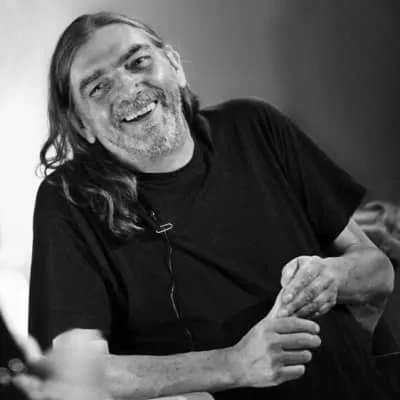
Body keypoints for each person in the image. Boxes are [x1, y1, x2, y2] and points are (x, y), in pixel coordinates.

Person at [25, 11, 395, 400]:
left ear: (174, 65)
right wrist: (234, 364)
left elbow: (377, 268)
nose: (128, 89)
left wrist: (332, 276)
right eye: (98, 87)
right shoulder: (69, 199)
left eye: (138, 62)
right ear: (81, 124)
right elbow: (78, 373)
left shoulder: (255, 126)